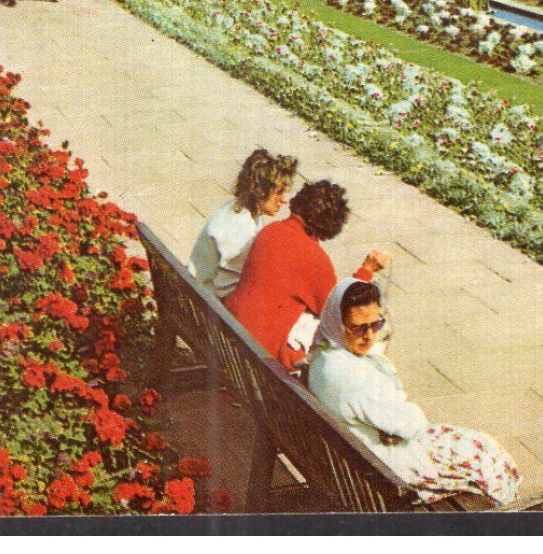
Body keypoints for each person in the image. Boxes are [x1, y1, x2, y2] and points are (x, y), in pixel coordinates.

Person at [307, 279, 523, 505]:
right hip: (388, 474)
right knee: (489, 457)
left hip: (355, 460)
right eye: (358, 327)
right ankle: (503, 520)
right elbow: (413, 425)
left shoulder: (325, 356)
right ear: (337, 322)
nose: (369, 336)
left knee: (481, 445)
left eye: (375, 324)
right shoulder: (355, 378)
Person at [224, 179, 391, 371]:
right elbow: (339, 310)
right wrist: (367, 270)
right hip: (264, 354)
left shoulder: (270, 231)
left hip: (233, 331)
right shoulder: (313, 258)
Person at [189, 149, 300, 299]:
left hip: (201, 291)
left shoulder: (239, 208)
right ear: (260, 190)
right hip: (208, 303)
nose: (285, 199)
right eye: (279, 192)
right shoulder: (241, 228)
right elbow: (226, 290)